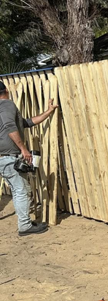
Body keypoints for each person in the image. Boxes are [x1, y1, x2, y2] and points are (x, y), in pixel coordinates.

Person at [0, 79, 58, 235]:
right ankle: (25, 226)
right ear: (6, 90)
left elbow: (25, 123)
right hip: (9, 157)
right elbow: (10, 126)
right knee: (21, 191)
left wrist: (48, 111)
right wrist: (23, 149)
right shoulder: (6, 105)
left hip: (5, 157)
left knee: (19, 189)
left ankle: (25, 222)